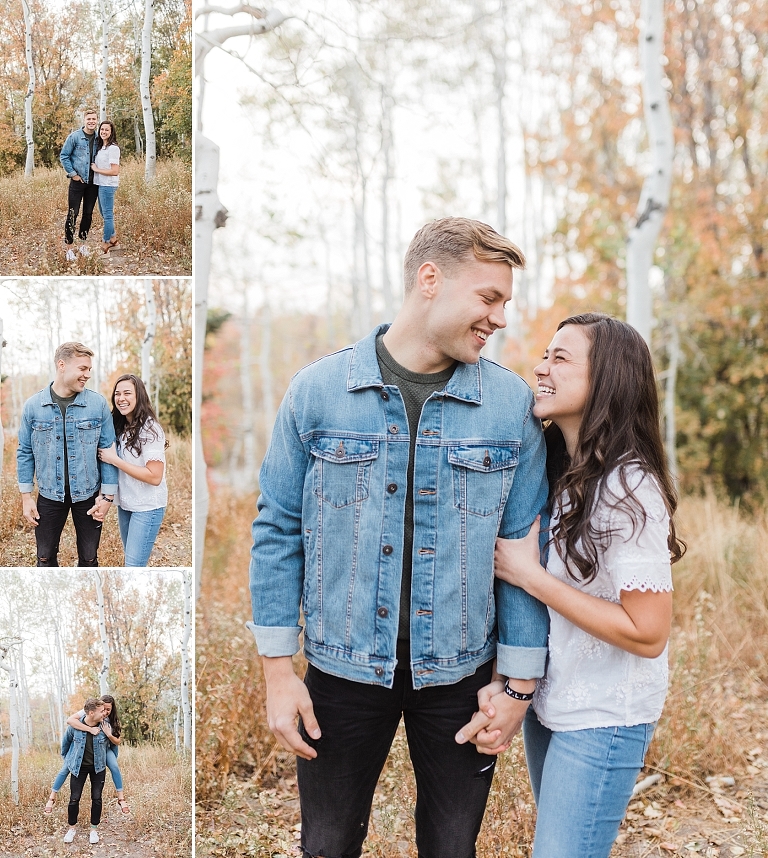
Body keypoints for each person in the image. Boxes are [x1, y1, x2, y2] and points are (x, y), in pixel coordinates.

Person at [248, 217, 550, 858]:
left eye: (505, 303)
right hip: (341, 670)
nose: (499, 318)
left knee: (451, 848)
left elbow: (523, 545)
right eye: (489, 298)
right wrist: (279, 670)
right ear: (430, 280)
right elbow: (276, 528)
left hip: (461, 677)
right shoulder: (319, 391)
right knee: (326, 846)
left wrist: (518, 685)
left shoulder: (510, 406)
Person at [458, 313, 685, 857]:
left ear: (606, 379)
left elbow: (648, 633)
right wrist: (507, 681)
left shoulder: (631, 487)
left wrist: (531, 577)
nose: (541, 368)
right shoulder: (565, 474)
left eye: (561, 358)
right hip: (554, 707)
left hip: (606, 717)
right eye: (544, 355)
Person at [16, 342, 118, 567]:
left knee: (90, 558)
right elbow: (24, 451)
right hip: (50, 496)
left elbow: (108, 450)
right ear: (62, 365)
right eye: (83, 368)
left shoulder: (97, 404)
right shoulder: (34, 406)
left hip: (89, 495)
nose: (87, 374)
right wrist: (26, 496)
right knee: (44, 557)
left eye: (89, 369)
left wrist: (107, 497)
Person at [97, 374, 167, 566]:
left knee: (133, 567)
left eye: (127, 393)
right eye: (117, 394)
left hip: (147, 507)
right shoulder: (120, 427)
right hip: (126, 505)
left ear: (139, 397)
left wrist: (115, 460)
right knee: (131, 563)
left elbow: (154, 477)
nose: (121, 398)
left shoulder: (150, 429)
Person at [45, 695, 129, 816]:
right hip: (88, 747)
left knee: (114, 767)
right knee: (65, 768)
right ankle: (52, 797)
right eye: (103, 709)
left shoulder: (112, 721)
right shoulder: (90, 712)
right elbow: (70, 722)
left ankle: (121, 798)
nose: (105, 712)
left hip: (106, 748)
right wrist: (89, 730)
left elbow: (116, 742)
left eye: (108, 710)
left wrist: (109, 735)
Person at [59, 698, 111, 844]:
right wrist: (69, 761)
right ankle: (71, 828)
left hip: (98, 768)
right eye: (101, 711)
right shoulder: (75, 727)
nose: (104, 714)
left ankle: (93, 830)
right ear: (91, 712)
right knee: (74, 798)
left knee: (97, 798)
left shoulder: (105, 727)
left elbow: (113, 746)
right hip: (78, 768)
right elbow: (65, 745)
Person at [59, 108, 100, 260]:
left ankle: (83, 245)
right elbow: (64, 156)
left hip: (93, 183)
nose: (91, 121)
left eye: (94, 119)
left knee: (88, 215)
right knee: (72, 214)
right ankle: (69, 249)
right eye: (89, 119)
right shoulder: (74, 137)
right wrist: (73, 174)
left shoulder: (98, 138)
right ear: (84, 120)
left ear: (97, 120)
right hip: (77, 183)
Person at [91, 120, 120, 253]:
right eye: (102, 129)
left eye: (107, 130)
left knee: (107, 215)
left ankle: (106, 242)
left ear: (111, 132)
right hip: (100, 184)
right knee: (104, 213)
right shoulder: (101, 147)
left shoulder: (113, 148)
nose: (103, 132)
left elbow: (115, 171)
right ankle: (113, 239)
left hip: (107, 185)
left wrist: (96, 169)